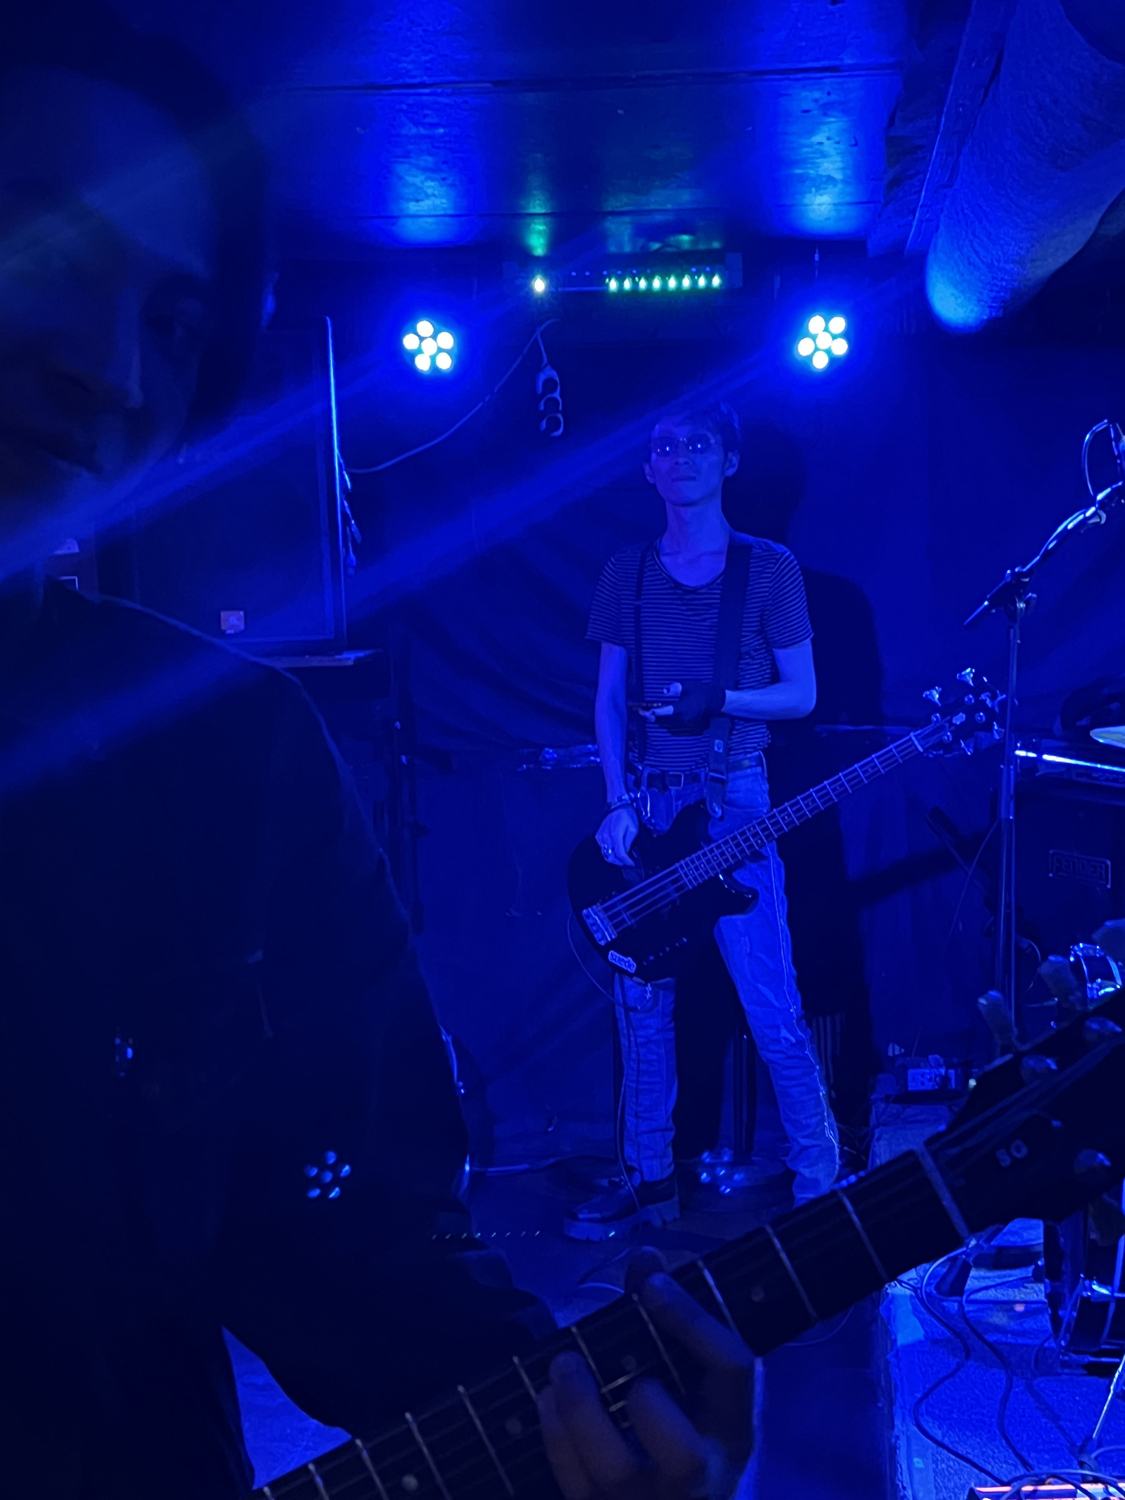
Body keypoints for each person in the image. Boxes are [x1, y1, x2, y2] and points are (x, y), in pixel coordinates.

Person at [0, 9, 755, 1497]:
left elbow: (344, 1233)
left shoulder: (219, 749)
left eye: (173, 320)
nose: (115, 371)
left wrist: (579, 1430)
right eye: (47, 250)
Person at [572, 400, 839, 1237]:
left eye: (697, 444)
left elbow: (802, 694)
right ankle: (647, 1181)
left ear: (727, 460)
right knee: (641, 1011)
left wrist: (719, 698)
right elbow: (607, 700)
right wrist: (616, 802)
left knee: (770, 1007)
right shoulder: (626, 572)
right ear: (647, 468)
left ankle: (821, 1187)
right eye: (663, 446)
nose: (679, 457)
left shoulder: (767, 568)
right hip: (648, 808)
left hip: (734, 800)